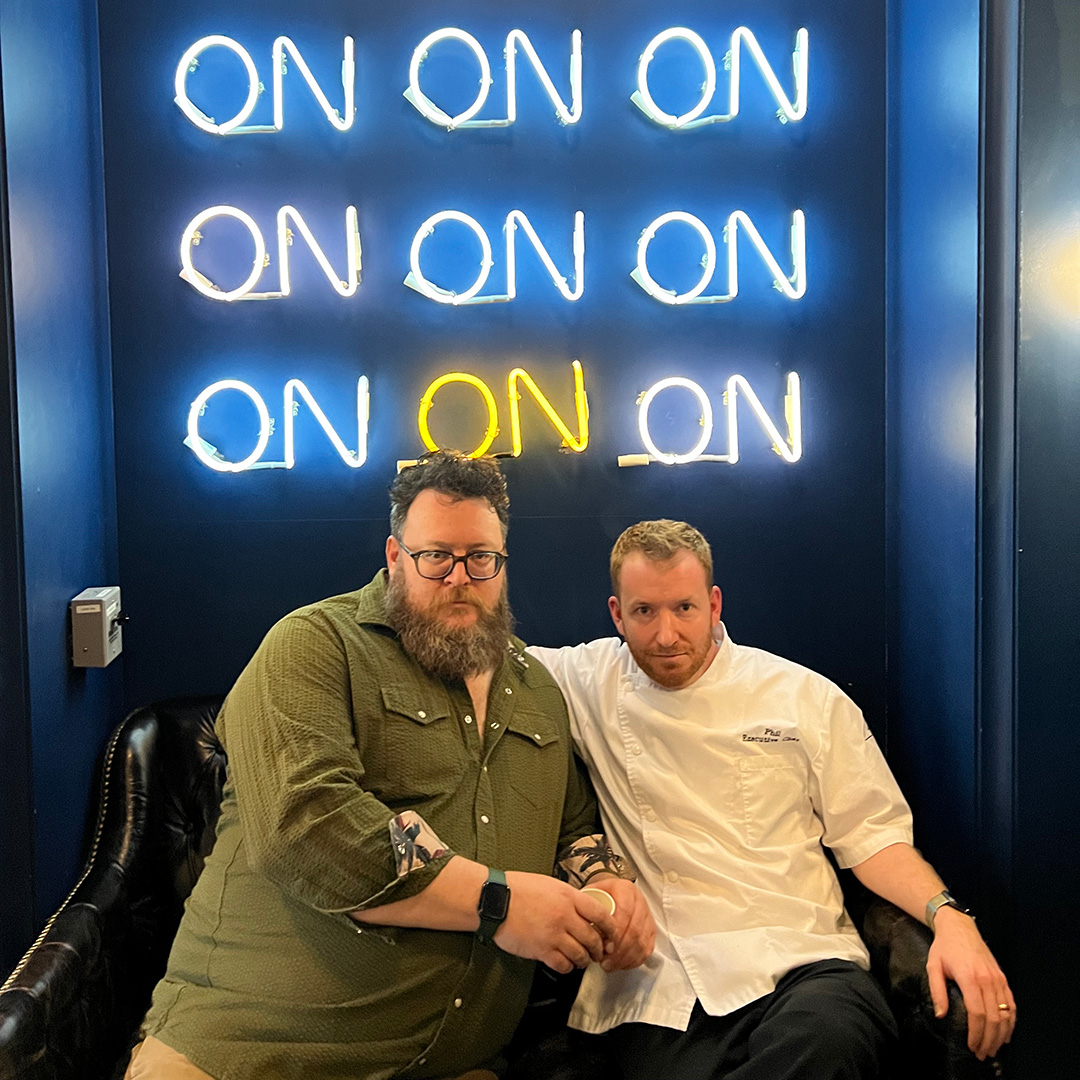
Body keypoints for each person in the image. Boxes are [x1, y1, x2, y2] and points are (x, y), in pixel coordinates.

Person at [125, 452, 652, 1080]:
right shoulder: (314, 644)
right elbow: (307, 827)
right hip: (250, 1054)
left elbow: (574, 830)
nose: (460, 577)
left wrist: (608, 886)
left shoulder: (537, 691)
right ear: (395, 556)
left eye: (481, 558)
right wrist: (499, 903)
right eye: (436, 556)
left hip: (455, 1062)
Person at [528, 519, 1015, 1080]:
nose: (665, 635)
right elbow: (475, 644)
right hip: (664, 983)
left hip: (804, 965)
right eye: (645, 612)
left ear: (713, 604)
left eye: (683, 609)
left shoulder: (804, 696)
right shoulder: (581, 679)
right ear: (617, 613)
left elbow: (873, 837)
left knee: (827, 1043)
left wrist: (951, 918)